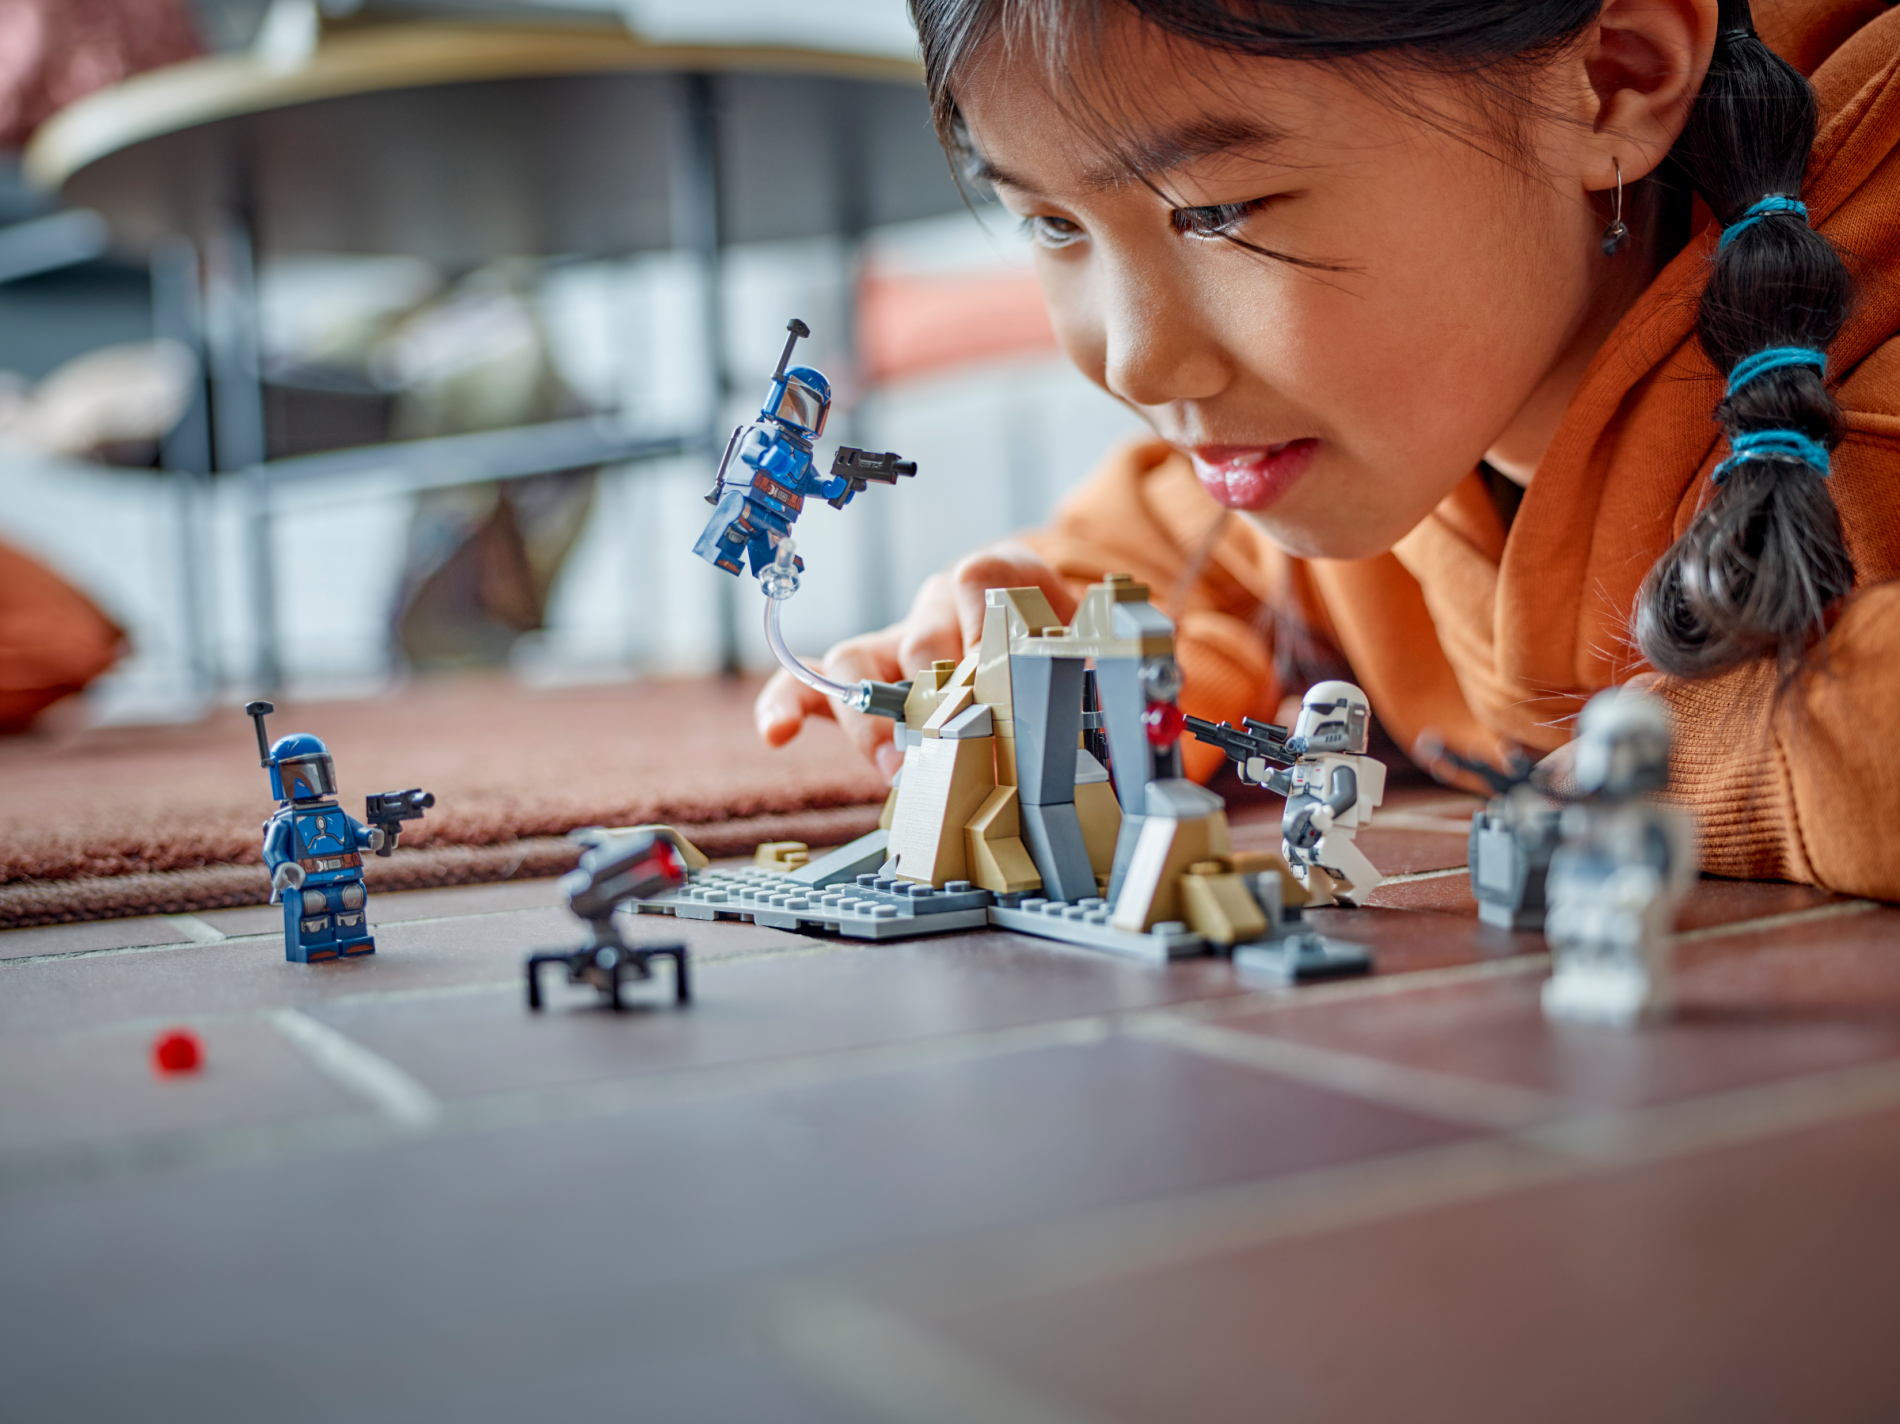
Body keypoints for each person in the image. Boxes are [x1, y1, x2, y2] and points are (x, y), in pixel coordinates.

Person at [756, 0, 1900, 901]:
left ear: (1611, 80)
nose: (1138, 366)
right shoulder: (1382, 423)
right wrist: (1084, 649)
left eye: (1220, 211)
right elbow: (1162, 548)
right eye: (1051, 224)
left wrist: (1699, 761)